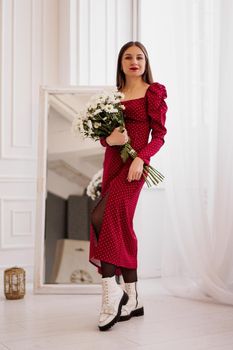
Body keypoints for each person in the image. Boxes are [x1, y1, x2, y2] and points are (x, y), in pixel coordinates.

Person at [89, 41, 168, 331]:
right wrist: (108, 140)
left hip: (134, 168)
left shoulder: (153, 91)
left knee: (102, 217)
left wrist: (141, 159)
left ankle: (111, 296)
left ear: (146, 62)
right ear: (120, 63)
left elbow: (159, 135)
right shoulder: (112, 96)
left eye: (139, 57)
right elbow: (103, 135)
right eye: (128, 57)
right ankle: (133, 298)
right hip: (112, 164)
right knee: (120, 225)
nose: (134, 61)